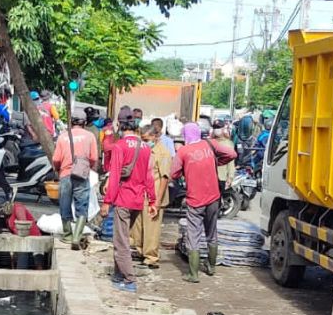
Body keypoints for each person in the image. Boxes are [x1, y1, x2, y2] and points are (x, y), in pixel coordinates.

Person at [171, 122, 236, 282]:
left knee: (193, 236)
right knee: (211, 232)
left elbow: (173, 174)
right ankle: (211, 267)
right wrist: (216, 162)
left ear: (185, 136)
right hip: (214, 197)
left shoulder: (183, 151)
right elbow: (232, 155)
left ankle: (193, 274)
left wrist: (186, 169)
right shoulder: (210, 143)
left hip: (195, 199)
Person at [101, 120, 156, 292]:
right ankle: (118, 276)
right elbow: (149, 176)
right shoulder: (146, 147)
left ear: (121, 128)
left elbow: (116, 174)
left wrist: (107, 202)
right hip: (138, 200)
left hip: (123, 198)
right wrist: (152, 200)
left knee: (121, 242)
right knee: (123, 237)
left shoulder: (119, 146)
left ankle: (129, 279)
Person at [129, 125, 172, 269]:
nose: (144, 141)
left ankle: (151, 257)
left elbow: (165, 178)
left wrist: (158, 202)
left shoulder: (163, 153)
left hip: (154, 196)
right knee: (138, 227)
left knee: (151, 229)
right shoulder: (143, 150)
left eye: (146, 139)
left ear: (155, 137)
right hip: (141, 194)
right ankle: (141, 251)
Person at [52, 113, 98, 244]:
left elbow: (56, 159)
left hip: (65, 174)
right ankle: (77, 238)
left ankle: (67, 235)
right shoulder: (90, 136)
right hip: (82, 174)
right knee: (82, 206)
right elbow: (94, 158)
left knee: (64, 205)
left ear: (71, 123)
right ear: (84, 123)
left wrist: (58, 168)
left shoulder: (63, 136)